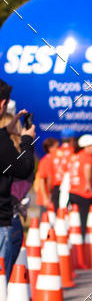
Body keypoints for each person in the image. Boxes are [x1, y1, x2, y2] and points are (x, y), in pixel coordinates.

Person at [0, 80, 36, 278]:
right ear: (2, 104)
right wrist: (27, 141)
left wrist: (6, 131)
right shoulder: (4, 144)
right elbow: (24, 169)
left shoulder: (3, 139)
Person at [68, 134, 92, 239]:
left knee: (74, 218)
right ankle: (82, 240)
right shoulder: (87, 156)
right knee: (83, 220)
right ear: (87, 146)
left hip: (72, 191)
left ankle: (75, 239)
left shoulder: (75, 156)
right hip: (82, 193)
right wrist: (88, 185)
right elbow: (87, 168)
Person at [49, 135, 75, 210]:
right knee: (68, 211)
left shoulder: (55, 152)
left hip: (55, 185)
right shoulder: (73, 151)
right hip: (69, 186)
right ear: (71, 140)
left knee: (57, 212)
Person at [34, 137, 59, 211]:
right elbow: (42, 180)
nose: (59, 149)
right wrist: (45, 197)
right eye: (57, 147)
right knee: (45, 220)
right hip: (46, 198)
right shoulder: (45, 161)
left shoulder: (56, 160)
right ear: (50, 148)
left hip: (53, 197)